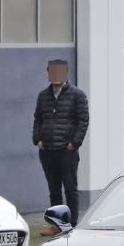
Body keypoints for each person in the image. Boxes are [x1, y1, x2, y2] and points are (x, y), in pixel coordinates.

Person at [32, 59, 89, 235]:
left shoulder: (77, 95)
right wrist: (37, 139)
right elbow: (38, 119)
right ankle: (57, 225)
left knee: (70, 188)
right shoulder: (43, 96)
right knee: (54, 190)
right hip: (47, 150)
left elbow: (83, 120)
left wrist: (74, 143)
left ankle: (71, 225)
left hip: (67, 151)